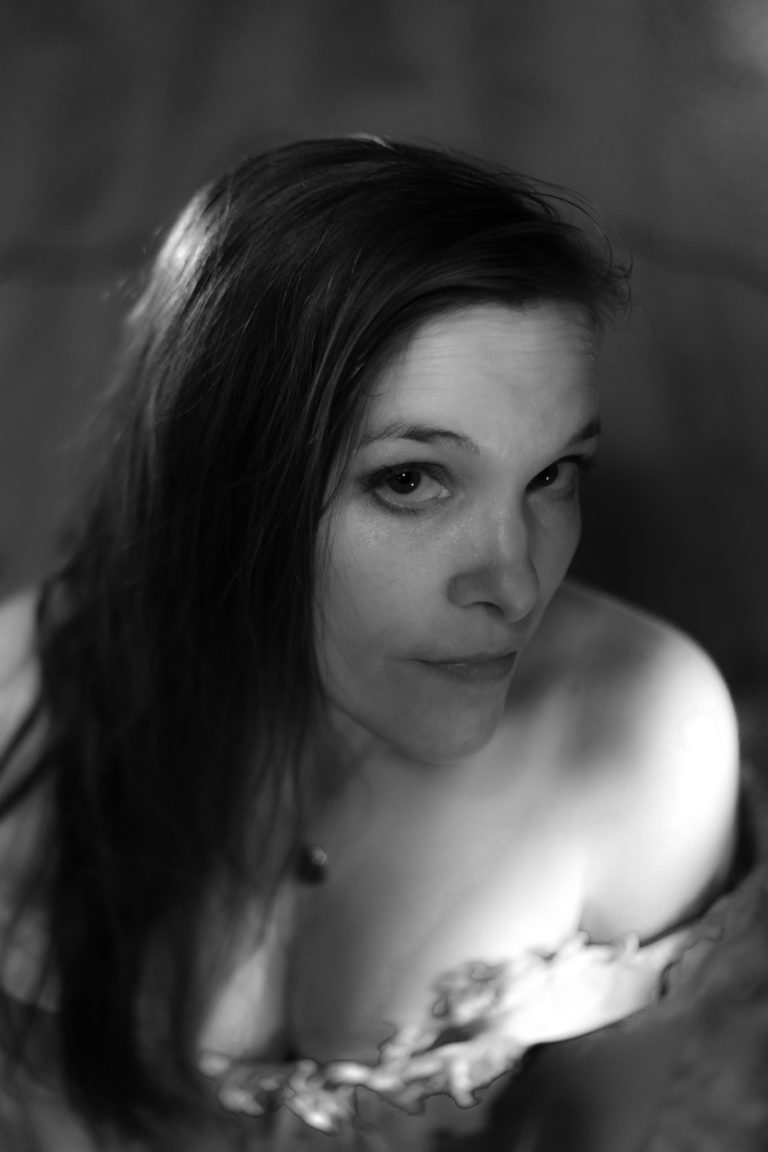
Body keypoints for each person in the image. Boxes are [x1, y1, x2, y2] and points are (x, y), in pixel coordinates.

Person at [0, 136, 742, 1151]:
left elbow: (601, 1125)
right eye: (409, 480)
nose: (515, 585)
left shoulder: (642, 731)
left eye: (553, 475)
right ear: (219, 481)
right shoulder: (13, 709)